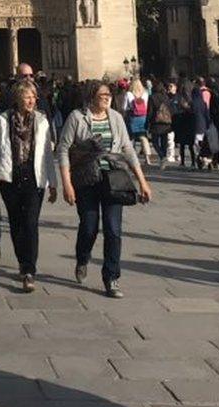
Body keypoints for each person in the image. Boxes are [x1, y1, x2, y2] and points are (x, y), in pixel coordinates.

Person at [57, 80, 153, 299]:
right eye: (102, 95)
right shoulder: (76, 117)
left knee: (113, 229)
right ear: (91, 96)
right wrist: (66, 183)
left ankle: (111, 277)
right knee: (89, 226)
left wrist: (142, 181)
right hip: (86, 180)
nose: (107, 98)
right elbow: (63, 149)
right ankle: (82, 258)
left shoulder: (116, 118)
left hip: (113, 178)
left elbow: (127, 149)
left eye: (109, 94)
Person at [0, 80, 58, 292]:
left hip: (35, 177)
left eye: (34, 96)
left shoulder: (42, 121)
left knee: (31, 223)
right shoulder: (4, 120)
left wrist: (53, 183)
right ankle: (22, 261)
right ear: (18, 98)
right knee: (16, 223)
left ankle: (29, 268)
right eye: (27, 96)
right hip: (11, 177)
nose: (32, 100)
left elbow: (48, 155)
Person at [146, 81, 173, 169]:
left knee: (155, 142)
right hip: (166, 122)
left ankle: (162, 157)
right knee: (164, 142)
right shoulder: (166, 97)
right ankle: (163, 160)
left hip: (156, 122)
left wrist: (147, 122)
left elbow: (149, 112)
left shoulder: (152, 97)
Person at [127, 78, 153, 165]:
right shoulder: (145, 94)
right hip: (143, 117)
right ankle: (147, 158)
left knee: (131, 138)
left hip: (133, 117)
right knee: (143, 137)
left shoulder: (129, 94)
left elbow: (124, 107)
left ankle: (132, 158)